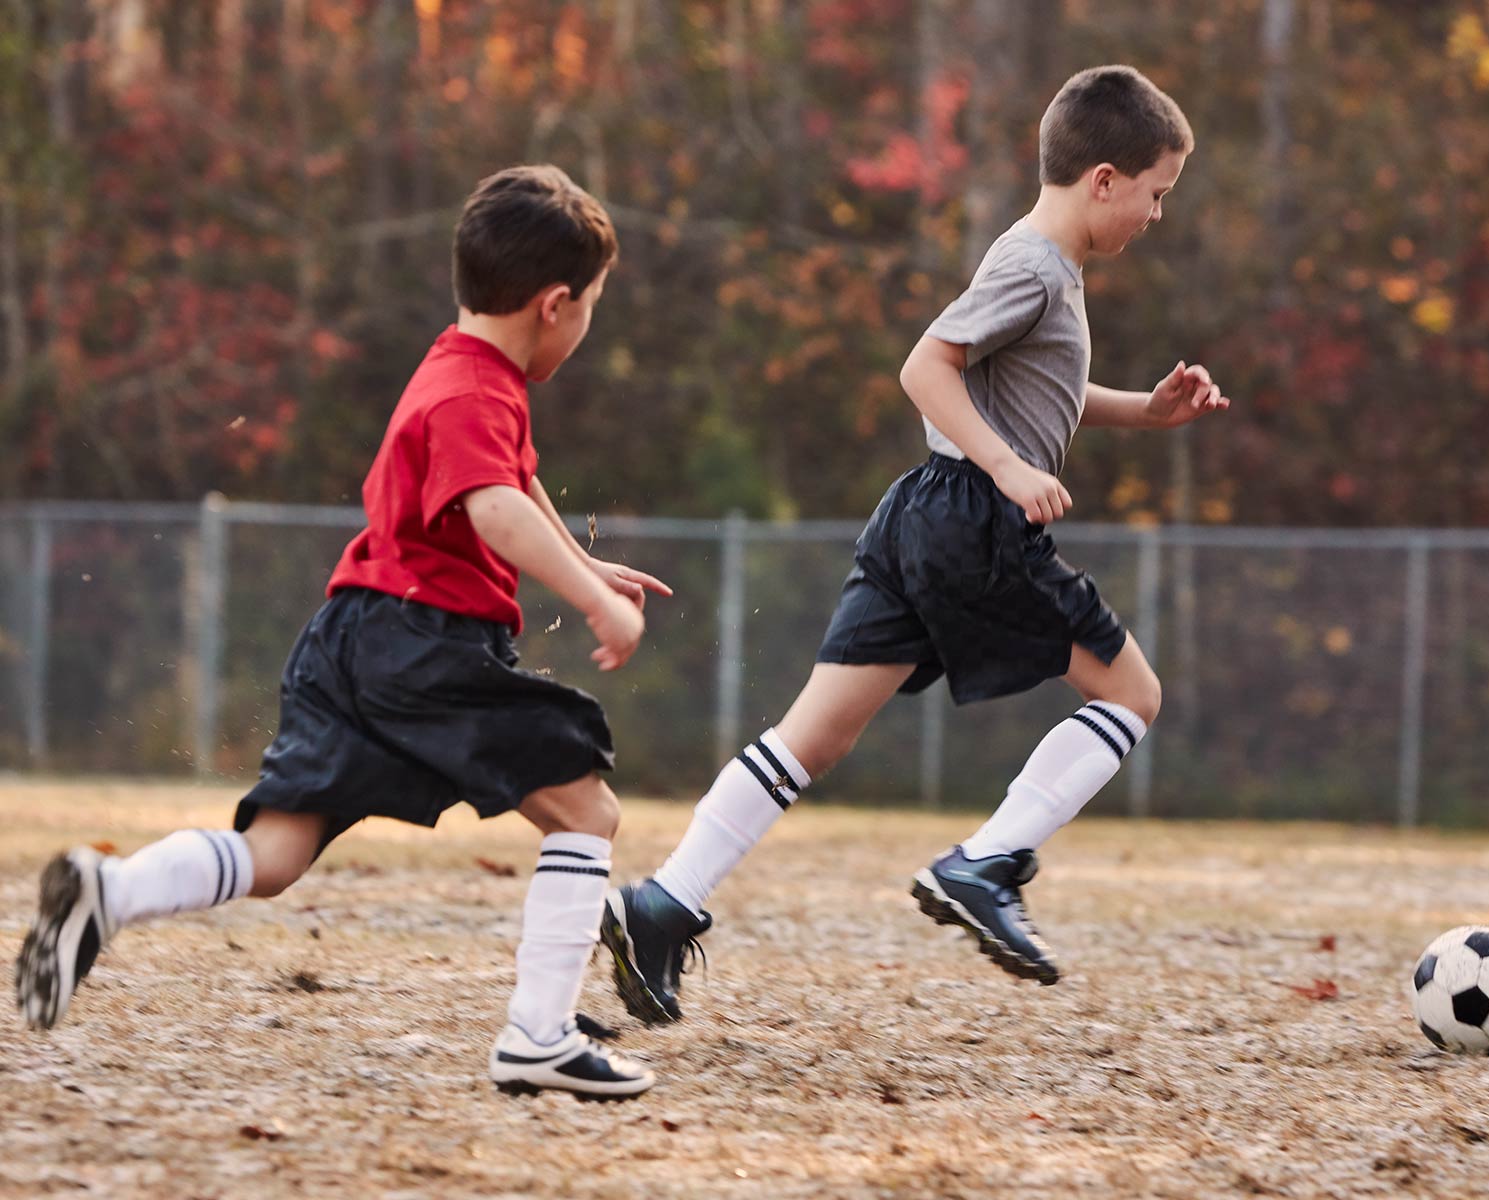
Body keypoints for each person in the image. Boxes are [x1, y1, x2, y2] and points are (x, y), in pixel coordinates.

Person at [15, 165, 669, 1101]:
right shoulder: (475, 394)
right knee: (587, 811)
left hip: (353, 640)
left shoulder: (459, 369)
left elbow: (514, 488)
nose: (590, 321)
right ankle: (540, 1035)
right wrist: (595, 602)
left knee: (275, 856)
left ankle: (105, 893)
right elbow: (493, 507)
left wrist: (584, 563)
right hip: (427, 648)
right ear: (556, 304)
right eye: (595, 303)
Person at [601, 66, 1228, 1025]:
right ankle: (985, 864)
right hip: (975, 523)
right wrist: (1011, 472)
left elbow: (1039, 392)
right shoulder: (1032, 264)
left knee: (816, 734)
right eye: (1156, 194)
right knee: (1132, 693)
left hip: (925, 520)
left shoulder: (1048, 268)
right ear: (1104, 179)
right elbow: (924, 368)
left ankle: (662, 902)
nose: (1156, 215)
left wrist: (1147, 411)